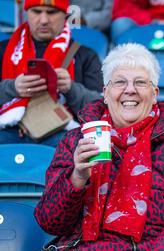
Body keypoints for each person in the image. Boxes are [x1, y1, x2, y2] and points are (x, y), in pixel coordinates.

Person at [34, 43, 164, 251]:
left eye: (140, 83)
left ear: (155, 92)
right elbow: (50, 221)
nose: (130, 90)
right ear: (104, 92)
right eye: (119, 82)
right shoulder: (76, 141)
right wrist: (77, 177)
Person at [0, 0, 103, 147]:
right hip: (8, 130)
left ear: (65, 15)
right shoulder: (3, 50)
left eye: (51, 12)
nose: (43, 20)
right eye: (36, 11)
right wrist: (12, 88)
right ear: (26, 13)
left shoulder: (85, 55)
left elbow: (101, 111)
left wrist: (70, 89)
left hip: (60, 132)